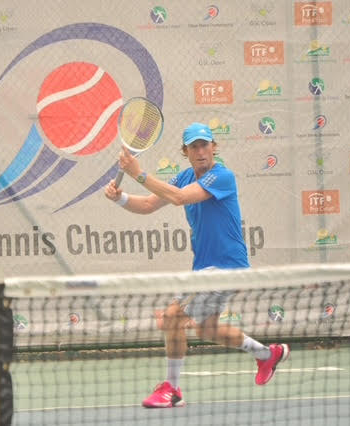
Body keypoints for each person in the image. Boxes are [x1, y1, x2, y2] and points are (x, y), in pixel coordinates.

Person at [104, 122, 289, 408]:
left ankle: (172, 390)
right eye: (194, 147)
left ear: (214, 147)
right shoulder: (185, 176)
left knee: (172, 317)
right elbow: (149, 205)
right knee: (207, 329)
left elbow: (178, 198)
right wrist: (121, 198)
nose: (201, 151)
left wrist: (138, 173)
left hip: (225, 267)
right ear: (186, 152)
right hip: (206, 267)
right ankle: (267, 355)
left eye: (205, 145)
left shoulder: (222, 176)